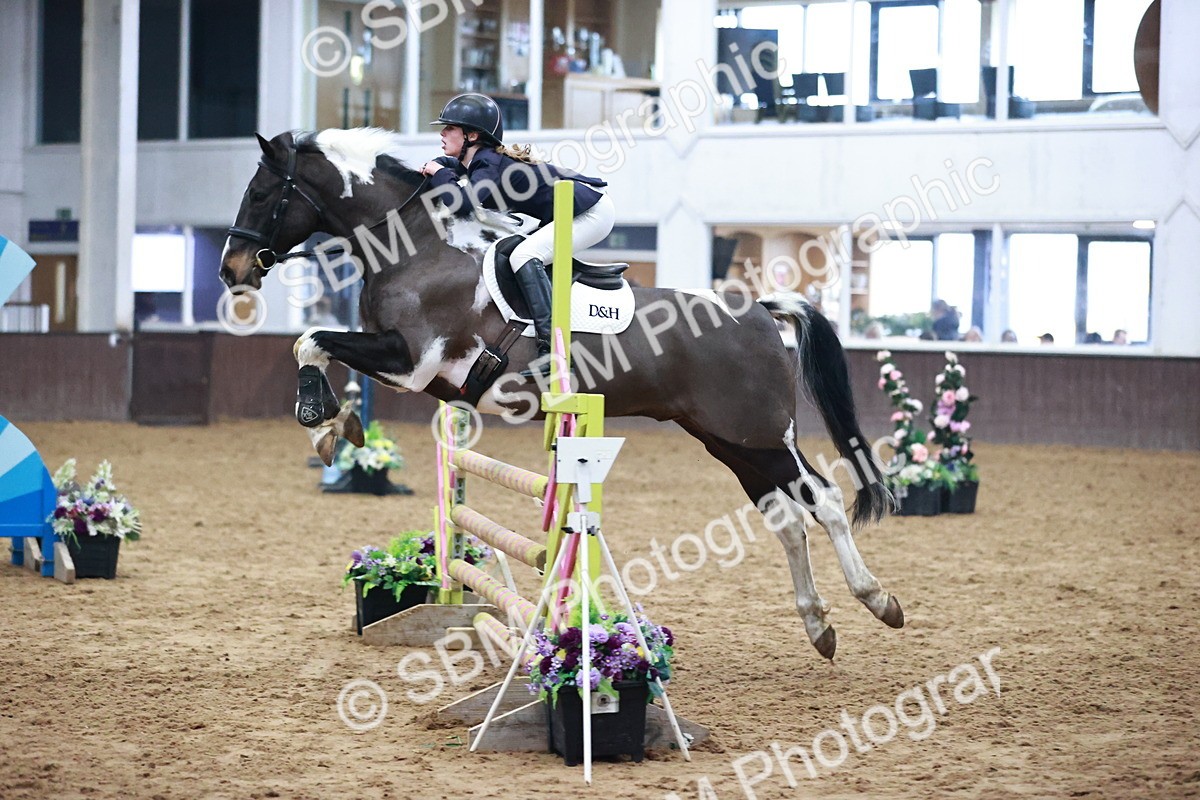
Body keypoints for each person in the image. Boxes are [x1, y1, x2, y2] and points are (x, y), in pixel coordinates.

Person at [420, 93, 614, 377]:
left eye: (449, 128)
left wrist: (438, 172)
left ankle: (554, 354)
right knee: (512, 250)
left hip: (591, 212)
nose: (443, 133)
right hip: (569, 211)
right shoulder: (482, 160)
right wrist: (437, 168)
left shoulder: (487, 164)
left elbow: (463, 205)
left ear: (472, 135)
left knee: (524, 255)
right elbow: (454, 167)